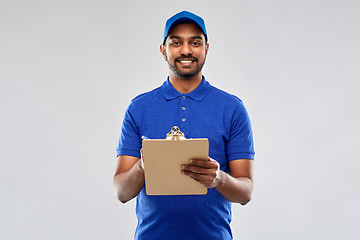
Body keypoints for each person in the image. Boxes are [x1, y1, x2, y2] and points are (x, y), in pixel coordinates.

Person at [114, 10, 255, 240]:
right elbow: (121, 192)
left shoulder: (232, 108)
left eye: (195, 42)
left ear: (206, 48)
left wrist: (219, 178)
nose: (186, 50)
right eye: (176, 42)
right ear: (163, 50)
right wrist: (143, 166)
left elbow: (246, 192)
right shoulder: (139, 108)